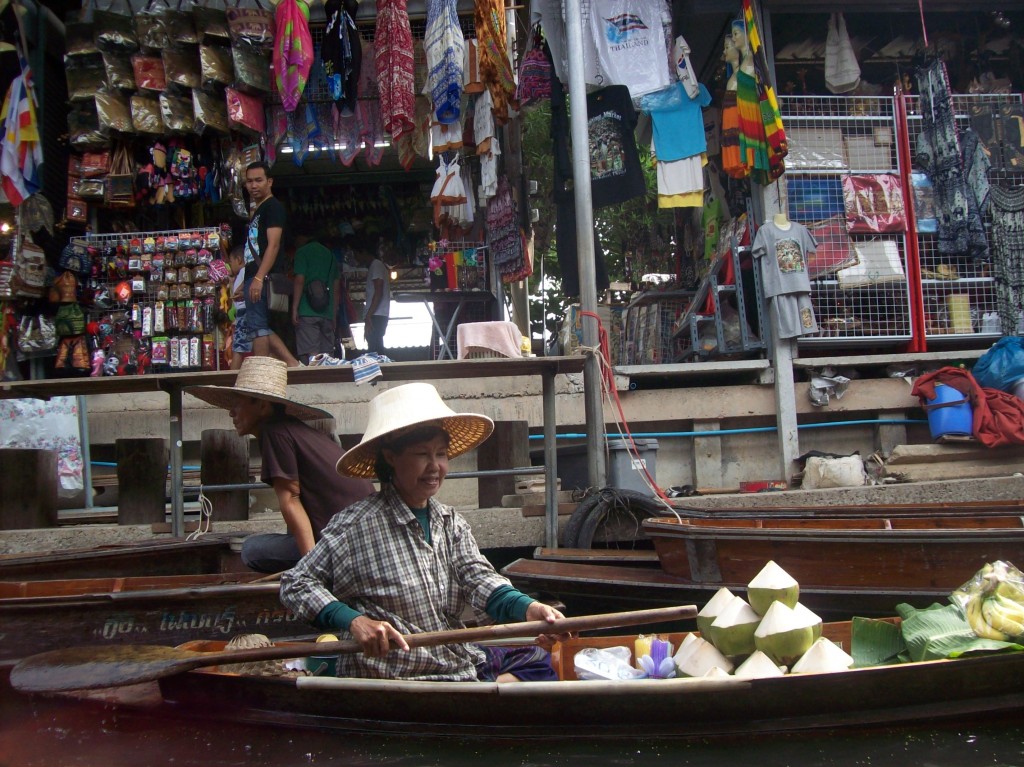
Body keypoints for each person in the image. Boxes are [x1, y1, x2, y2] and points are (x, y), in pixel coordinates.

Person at [280, 382, 569, 682]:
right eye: (422, 454)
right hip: (403, 674)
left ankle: (481, 694)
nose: (435, 467)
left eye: (441, 454)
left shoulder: (450, 522)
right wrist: (355, 621)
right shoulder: (356, 525)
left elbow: (480, 579)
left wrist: (530, 609)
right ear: (390, 457)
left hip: (455, 659)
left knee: (537, 661)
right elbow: (296, 584)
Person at [188, 355, 374, 572]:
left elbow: (291, 499)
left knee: (251, 549)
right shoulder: (290, 429)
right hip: (360, 534)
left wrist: (311, 568)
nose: (231, 412)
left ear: (262, 406)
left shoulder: (275, 433)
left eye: (237, 404)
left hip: (347, 542)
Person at [242, 161, 301, 367]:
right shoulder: (260, 209)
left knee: (258, 327)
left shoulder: (273, 207)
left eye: (258, 180)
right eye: (249, 181)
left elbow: (273, 245)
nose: (253, 185)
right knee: (259, 326)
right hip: (255, 275)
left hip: (263, 276)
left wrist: (258, 278)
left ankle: (264, 370)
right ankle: (290, 364)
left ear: (270, 182)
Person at [291, 226, 341, 364]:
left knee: (311, 357)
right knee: (328, 358)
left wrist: (294, 308)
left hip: (307, 311)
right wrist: (334, 315)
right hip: (327, 313)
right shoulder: (331, 256)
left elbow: (299, 280)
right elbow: (336, 288)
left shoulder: (302, 252)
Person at [357, 240, 390, 355]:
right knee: (375, 347)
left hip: (376, 314)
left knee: (374, 349)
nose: (356, 258)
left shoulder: (376, 265)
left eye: (357, 254)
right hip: (376, 314)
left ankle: (379, 366)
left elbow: (378, 292)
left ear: (364, 252)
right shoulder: (375, 265)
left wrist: (368, 315)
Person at [226, 245, 253, 370]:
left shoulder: (245, 272)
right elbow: (235, 295)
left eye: (231, 262)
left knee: (239, 347)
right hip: (241, 313)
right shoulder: (240, 275)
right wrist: (232, 283)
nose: (230, 265)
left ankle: (232, 376)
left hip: (244, 312)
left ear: (239, 260)